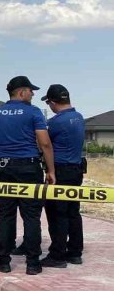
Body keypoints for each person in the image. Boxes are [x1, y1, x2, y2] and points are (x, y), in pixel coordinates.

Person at [0, 76, 55, 275]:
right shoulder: (33, 112)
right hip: (29, 167)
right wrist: (51, 171)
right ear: (21, 92)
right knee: (31, 216)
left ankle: (4, 261)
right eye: (31, 91)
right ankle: (33, 263)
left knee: (6, 215)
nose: (33, 94)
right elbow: (45, 143)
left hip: (4, 167)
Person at [41, 84, 86, 268]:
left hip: (59, 170)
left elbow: (44, 144)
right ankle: (75, 252)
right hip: (76, 169)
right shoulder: (79, 117)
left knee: (56, 212)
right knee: (73, 212)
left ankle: (57, 255)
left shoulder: (55, 123)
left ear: (52, 102)